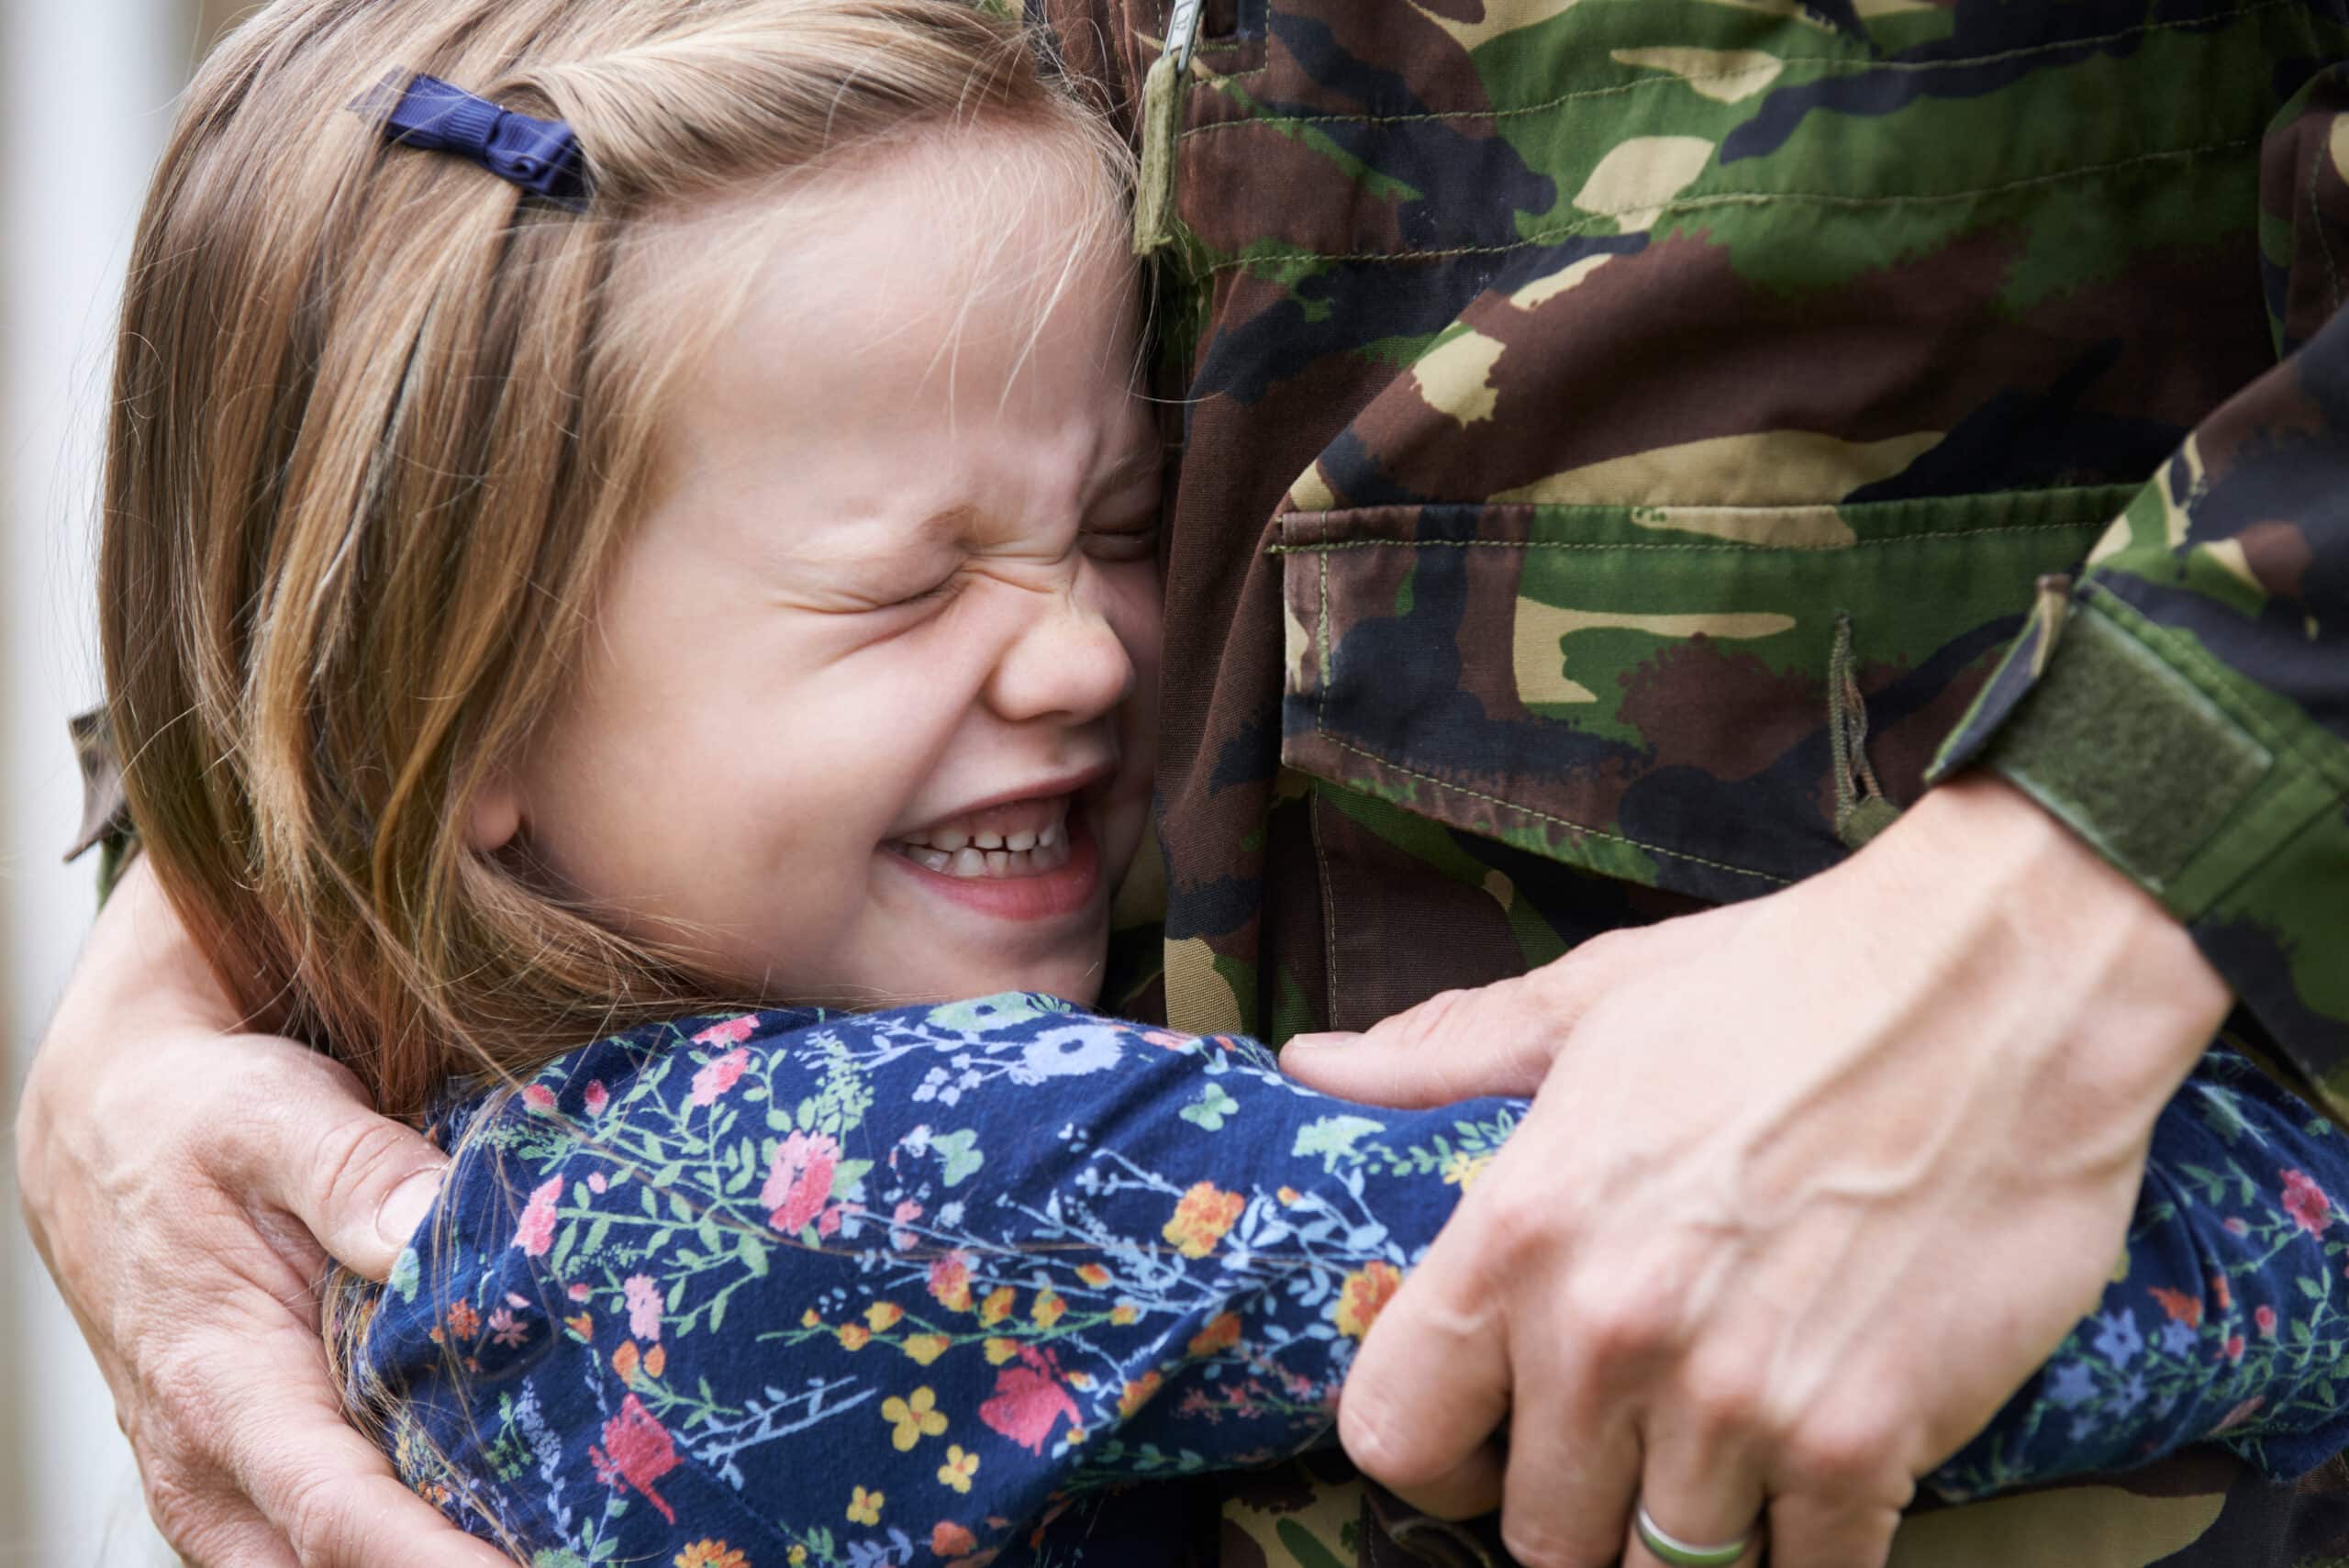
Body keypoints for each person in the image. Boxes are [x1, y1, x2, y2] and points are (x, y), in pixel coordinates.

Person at [18, 0, 2349, 1565]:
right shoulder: (845, 1197)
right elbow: (1753, 1281)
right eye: (894, 586)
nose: (1091, 648)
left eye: (1123, 526)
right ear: (464, 707)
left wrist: (2092, 875)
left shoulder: (500, 1191)